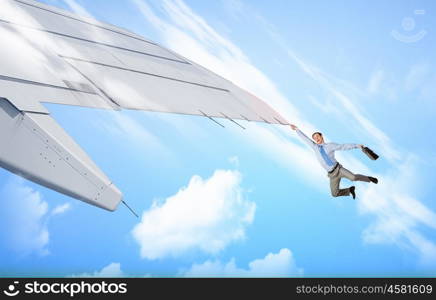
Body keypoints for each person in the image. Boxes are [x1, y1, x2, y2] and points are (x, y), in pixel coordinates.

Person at [289, 124, 378, 199]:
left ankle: (369, 178)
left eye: (317, 136)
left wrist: (357, 145)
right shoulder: (315, 147)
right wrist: (296, 129)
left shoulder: (330, 145)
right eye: (314, 138)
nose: (316, 139)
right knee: (334, 194)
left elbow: (343, 146)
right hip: (331, 175)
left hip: (339, 169)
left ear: (321, 136)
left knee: (353, 177)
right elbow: (305, 139)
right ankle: (349, 190)